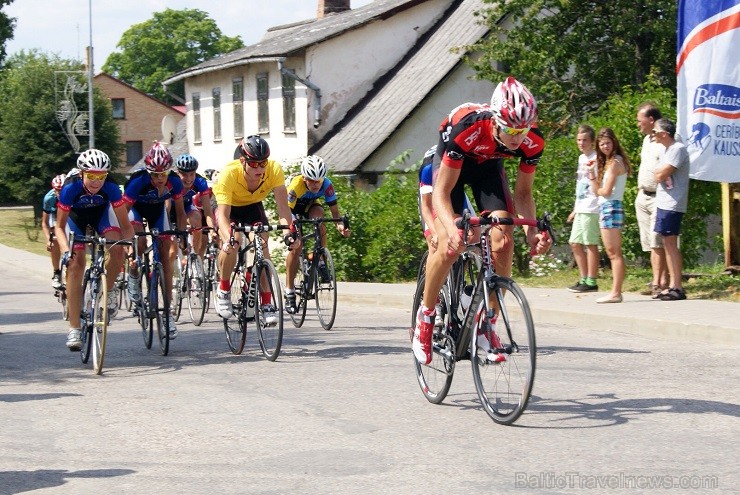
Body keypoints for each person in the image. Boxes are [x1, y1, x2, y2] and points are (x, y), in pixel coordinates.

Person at [412, 76, 551, 365]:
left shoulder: (532, 141)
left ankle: (487, 323)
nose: (517, 138)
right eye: (511, 129)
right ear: (496, 119)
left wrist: (530, 233)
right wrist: (450, 227)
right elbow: (441, 193)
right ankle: (426, 318)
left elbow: (523, 194)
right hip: (452, 169)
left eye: (522, 130)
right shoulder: (468, 127)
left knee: (503, 237)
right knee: (449, 246)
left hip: (488, 169)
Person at [54, 149, 134, 350]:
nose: (96, 182)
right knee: (75, 263)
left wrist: (130, 248)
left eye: (101, 176)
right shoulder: (70, 188)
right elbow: (58, 226)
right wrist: (65, 251)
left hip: (101, 217)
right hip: (76, 220)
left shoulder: (112, 188)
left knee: (117, 248)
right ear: (81, 173)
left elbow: (125, 226)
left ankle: (108, 287)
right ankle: (74, 328)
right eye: (91, 176)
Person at [212, 135, 294, 321]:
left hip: (252, 206)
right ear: (243, 161)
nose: (260, 168)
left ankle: (266, 302)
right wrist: (229, 237)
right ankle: (223, 289)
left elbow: (283, 208)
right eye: (254, 164)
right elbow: (223, 216)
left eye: (263, 162)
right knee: (233, 242)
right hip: (228, 206)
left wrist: (289, 233)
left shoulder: (273, 170)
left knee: (262, 246)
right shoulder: (229, 174)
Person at [124, 141, 187, 339]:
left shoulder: (175, 181)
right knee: (140, 244)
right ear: (148, 172)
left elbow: (180, 211)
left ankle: (167, 314)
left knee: (167, 258)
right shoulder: (137, 181)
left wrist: (182, 234)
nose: (159, 179)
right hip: (135, 211)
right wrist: (127, 242)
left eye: (163, 174)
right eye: (155, 175)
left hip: (158, 212)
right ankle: (134, 275)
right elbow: (123, 213)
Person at [283, 155, 351, 313]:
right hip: (292, 209)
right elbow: (287, 212)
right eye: (312, 181)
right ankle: (289, 291)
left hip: (311, 206)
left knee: (320, 219)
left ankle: (320, 259)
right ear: (305, 178)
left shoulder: (327, 185)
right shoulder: (296, 185)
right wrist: (293, 233)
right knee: (296, 245)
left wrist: (340, 226)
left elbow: (335, 213)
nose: (316, 184)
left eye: (319, 180)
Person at [587, 128, 631, 304]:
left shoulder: (614, 163)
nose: (605, 146)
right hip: (609, 206)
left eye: (608, 142)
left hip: (611, 207)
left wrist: (593, 180)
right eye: (602, 143)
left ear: (614, 143)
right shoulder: (611, 162)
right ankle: (615, 291)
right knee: (612, 252)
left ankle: (616, 292)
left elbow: (604, 192)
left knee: (614, 253)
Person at [652, 118, 690, 301]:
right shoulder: (666, 150)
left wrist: (658, 173)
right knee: (666, 242)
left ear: (664, 134)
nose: (653, 135)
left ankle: (677, 287)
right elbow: (656, 174)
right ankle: (670, 285)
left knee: (671, 243)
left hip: (672, 203)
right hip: (663, 201)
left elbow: (660, 174)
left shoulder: (678, 149)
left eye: (655, 132)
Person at [635, 103, 669, 296]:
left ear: (651, 120)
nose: (638, 124)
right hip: (644, 195)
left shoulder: (665, 140)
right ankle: (659, 279)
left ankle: (659, 283)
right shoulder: (647, 140)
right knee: (649, 242)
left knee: (658, 241)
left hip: (659, 195)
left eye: (640, 121)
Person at [567, 125, 600, 292]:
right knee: (574, 242)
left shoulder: (596, 158)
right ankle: (583, 277)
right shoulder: (581, 158)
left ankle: (592, 281)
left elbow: (596, 185)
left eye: (585, 140)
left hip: (592, 207)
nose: (581, 143)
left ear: (592, 142)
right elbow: (580, 185)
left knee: (590, 244)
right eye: (579, 140)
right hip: (581, 206)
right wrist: (575, 209)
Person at [172, 154, 215, 262]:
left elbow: (208, 212)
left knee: (196, 217)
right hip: (168, 210)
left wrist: (213, 230)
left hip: (186, 207)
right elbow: (169, 209)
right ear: (178, 173)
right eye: (185, 175)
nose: (189, 179)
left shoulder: (200, 182)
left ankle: (194, 258)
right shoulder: (171, 181)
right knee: (171, 249)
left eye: (192, 174)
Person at [42, 174, 66, 290]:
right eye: (57, 191)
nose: (60, 193)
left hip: (69, 213)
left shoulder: (73, 194)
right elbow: (44, 223)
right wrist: (48, 240)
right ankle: (56, 272)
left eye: (62, 190)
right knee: (54, 239)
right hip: (55, 214)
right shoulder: (49, 198)